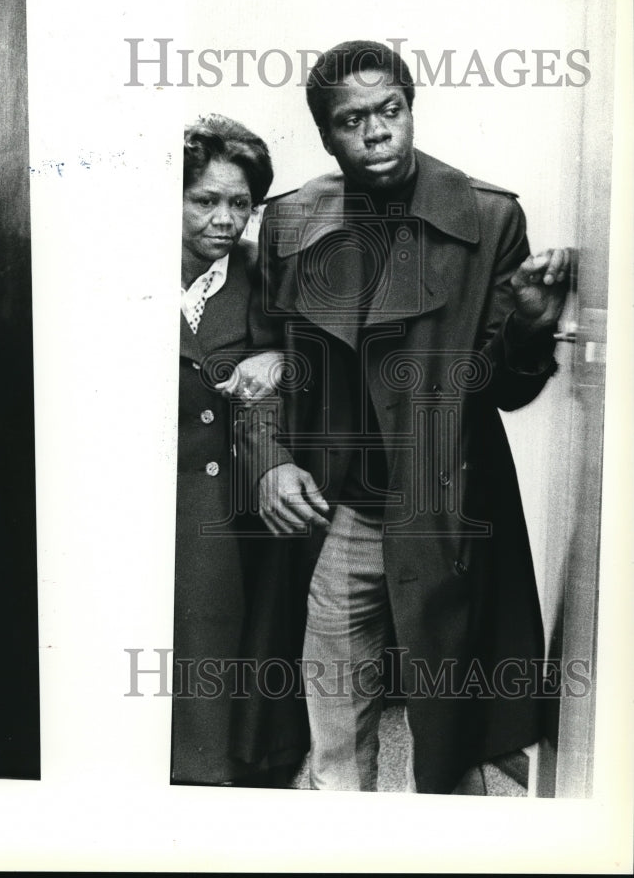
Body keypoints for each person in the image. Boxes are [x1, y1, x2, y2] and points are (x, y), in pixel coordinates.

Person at [240, 41, 571, 795]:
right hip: (339, 514)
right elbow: (261, 367)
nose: (376, 132)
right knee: (334, 738)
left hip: (446, 515)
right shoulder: (290, 221)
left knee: (452, 741)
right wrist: (268, 461)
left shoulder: (487, 218)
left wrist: (528, 325)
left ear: (410, 109)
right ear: (325, 133)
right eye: (351, 119)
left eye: (389, 110)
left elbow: (503, 391)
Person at [172, 114, 309, 786]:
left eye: (239, 204)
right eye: (204, 200)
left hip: (235, 503)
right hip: (152, 500)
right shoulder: (119, 268)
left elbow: (319, 351)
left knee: (229, 656)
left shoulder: (264, 271)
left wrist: (281, 357)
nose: (224, 219)